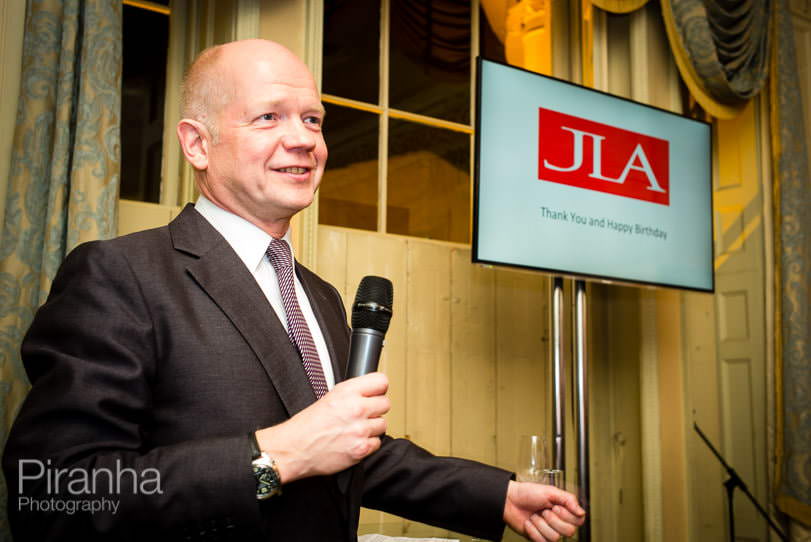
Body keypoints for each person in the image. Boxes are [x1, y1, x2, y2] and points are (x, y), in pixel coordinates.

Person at [3, 39, 585, 541]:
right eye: (268, 118)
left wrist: (496, 495)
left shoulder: (321, 296)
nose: (304, 139)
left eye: (312, 119)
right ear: (197, 145)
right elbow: (57, 494)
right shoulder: (120, 275)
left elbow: (345, 455)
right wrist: (273, 458)